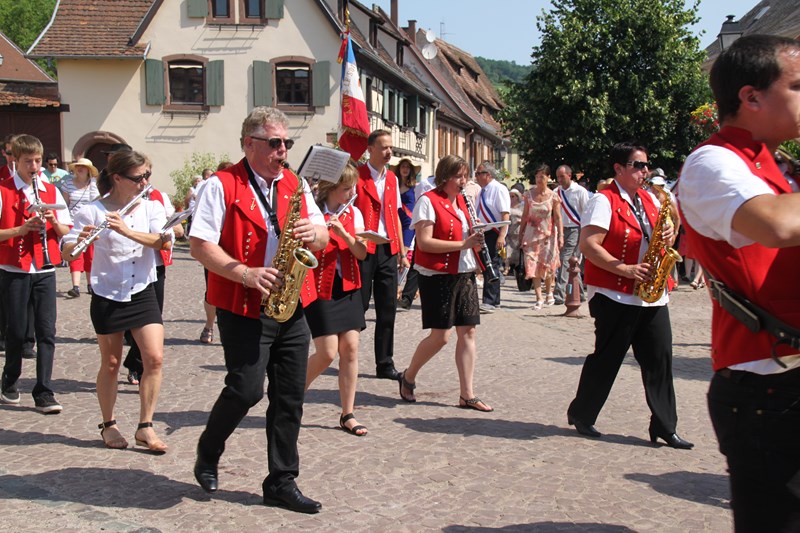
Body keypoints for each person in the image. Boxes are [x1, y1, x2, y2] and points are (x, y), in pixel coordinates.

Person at [677, 34, 800, 531]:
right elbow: (776, 225)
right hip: (769, 386)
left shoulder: (773, 167)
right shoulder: (713, 162)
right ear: (751, 97)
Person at [189, 106, 327, 514]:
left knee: (289, 396)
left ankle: (281, 482)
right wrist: (245, 274)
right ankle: (209, 449)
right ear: (249, 144)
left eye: (286, 143)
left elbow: (321, 233)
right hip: (244, 301)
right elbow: (200, 245)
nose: (282, 151)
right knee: (246, 390)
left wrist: (313, 233)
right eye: (274, 143)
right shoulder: (222, 185)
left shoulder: (295, 184)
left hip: (291, 303)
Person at [566, 142, 692, 450]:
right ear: (618, 169)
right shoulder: (603, 200)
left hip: (652, 293)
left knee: (660, 358)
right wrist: (624, 268)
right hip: (615, 293)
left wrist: (668, 233)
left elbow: (665, 233)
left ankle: (664, 426)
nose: (644, 171)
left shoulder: (651, 198)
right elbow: (588, 245)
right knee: (608, 358)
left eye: (646, 165)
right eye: (637, 165)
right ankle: (582, 413)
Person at [62, 150, 170, 452]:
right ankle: (108, 425)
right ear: (118, 178)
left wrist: (127, 230)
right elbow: (67, 249)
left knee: (154, 358)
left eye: (148, 175)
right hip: (108, 293)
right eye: (139, 178)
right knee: (110, 363)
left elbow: (163, 240)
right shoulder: (93, 211)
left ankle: (145, 427)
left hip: (143, 289)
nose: (145, 182)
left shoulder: (150, 207)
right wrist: (78, 243)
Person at [398, 155, 492, 412]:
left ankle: (467, 394)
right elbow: (425, 242)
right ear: (444, 177)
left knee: (469, 331)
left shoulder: (463, 201)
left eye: (465, 176)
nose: (464, 182)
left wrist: (475, 240)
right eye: (459, 176)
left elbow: (467, 236)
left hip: (465, 272)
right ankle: (408, 376)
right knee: (440, 337)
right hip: (437, 275)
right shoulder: (427, 201)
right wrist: (463, 244)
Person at [0, 134, 71, 413]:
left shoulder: (50, 190)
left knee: (46, 331)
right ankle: (10, 379)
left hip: (45, 268)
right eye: (28, 161)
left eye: (38, 161)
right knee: (16, 331)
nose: (34, 166)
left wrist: (54, 221)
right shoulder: (3, 189)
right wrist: (21, 229)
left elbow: (66, 231)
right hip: (14, 269)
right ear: (15, 161)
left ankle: (44, 391)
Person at [304, 164, 368, 436]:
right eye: (346, 188)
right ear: (331, 188)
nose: (351, 192)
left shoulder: (354, 213)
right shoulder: (313, 213)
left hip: (350, 287)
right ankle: (291, 394)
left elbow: (363, 253)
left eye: (352, 187)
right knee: (327, 353)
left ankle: (348, 413)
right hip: (321, 288)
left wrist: (344, 233)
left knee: (351, 349)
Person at [354, 130, 408, 381]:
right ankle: (348, 356)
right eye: (384, 148)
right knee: (358, 306)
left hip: (387, 249)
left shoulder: (393, 179)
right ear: (370, 149)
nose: (389, 152)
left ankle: (384, 363)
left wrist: (401, 250)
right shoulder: (356, 175)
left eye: (391, 148)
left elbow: (394, 214)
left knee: (388, 308)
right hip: (363, 248)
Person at [518, 164, 563, 310]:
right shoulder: (529, 194)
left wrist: (561, 235)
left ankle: (549, 292)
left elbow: (558, 218)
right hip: (531, 236)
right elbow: (525, 215)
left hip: (548, 236)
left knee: (548, 266)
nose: (538, 179)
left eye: (542, 177)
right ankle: (539, 297)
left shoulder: (553, 196)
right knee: (532, 265)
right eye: (537, 177)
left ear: (548, 178)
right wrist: (521, 233)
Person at [59, 157, 100, 297]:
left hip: (90, 222)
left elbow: (97, 201)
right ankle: (75, 286)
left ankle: (90, 284)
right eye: (78, 166)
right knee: (76, 251)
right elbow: (64, 204)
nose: (79, 169)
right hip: (73, 222)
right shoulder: (67, 183)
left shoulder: (93, 184)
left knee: (90, 255)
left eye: (83, 167)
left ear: (89, 170)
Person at [474, 161, 510, 313]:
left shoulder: (498, 189)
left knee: (491, 264)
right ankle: (494, 300)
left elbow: (505, 214)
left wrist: (502, 235)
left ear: (487, 175)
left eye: (478, 173)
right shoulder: (482, 191)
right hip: (483, 231)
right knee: (487, 265)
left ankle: (490, 301)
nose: (476, 176)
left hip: (494, 232)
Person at [553, 164, 588, 305]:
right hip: (562, 229)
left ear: (569, 175)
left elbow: (586, 213)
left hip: (576, 229)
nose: (559, 179)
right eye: (558, 177)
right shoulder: (556, 192)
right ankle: (579, 293)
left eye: (562, 176)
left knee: (565, 259)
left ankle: (559, 294)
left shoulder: (580, 191)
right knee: (571, 262)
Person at [395, 158, 420, 310]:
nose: (405, 169)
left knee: (405, 253)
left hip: (408, 224)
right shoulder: (394, 185)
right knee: (397, 254)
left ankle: (399, 287)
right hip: (396, 221)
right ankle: (398, 288)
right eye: (402, 167)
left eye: (407, 167)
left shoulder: (415, 187)